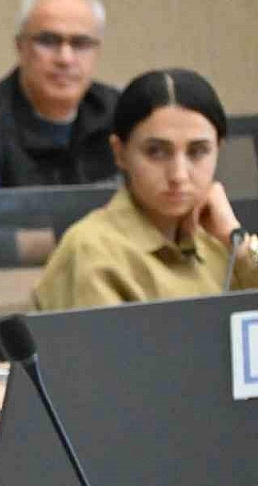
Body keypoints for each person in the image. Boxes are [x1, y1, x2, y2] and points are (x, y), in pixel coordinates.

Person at [33, 69, 258, 310]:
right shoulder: (91, 249)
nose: (179, 175)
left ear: (218, 150)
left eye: (198, 151)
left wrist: (240, 244)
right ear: (120, 153)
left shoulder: (220, 241)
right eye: (156, 152)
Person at [0, 0, 117, 264]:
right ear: (20, 47)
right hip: (18, 282)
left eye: (80, 43)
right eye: (49, 41)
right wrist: (78, 241)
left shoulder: (121, 113)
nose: (65, 58)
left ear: (97, 51)